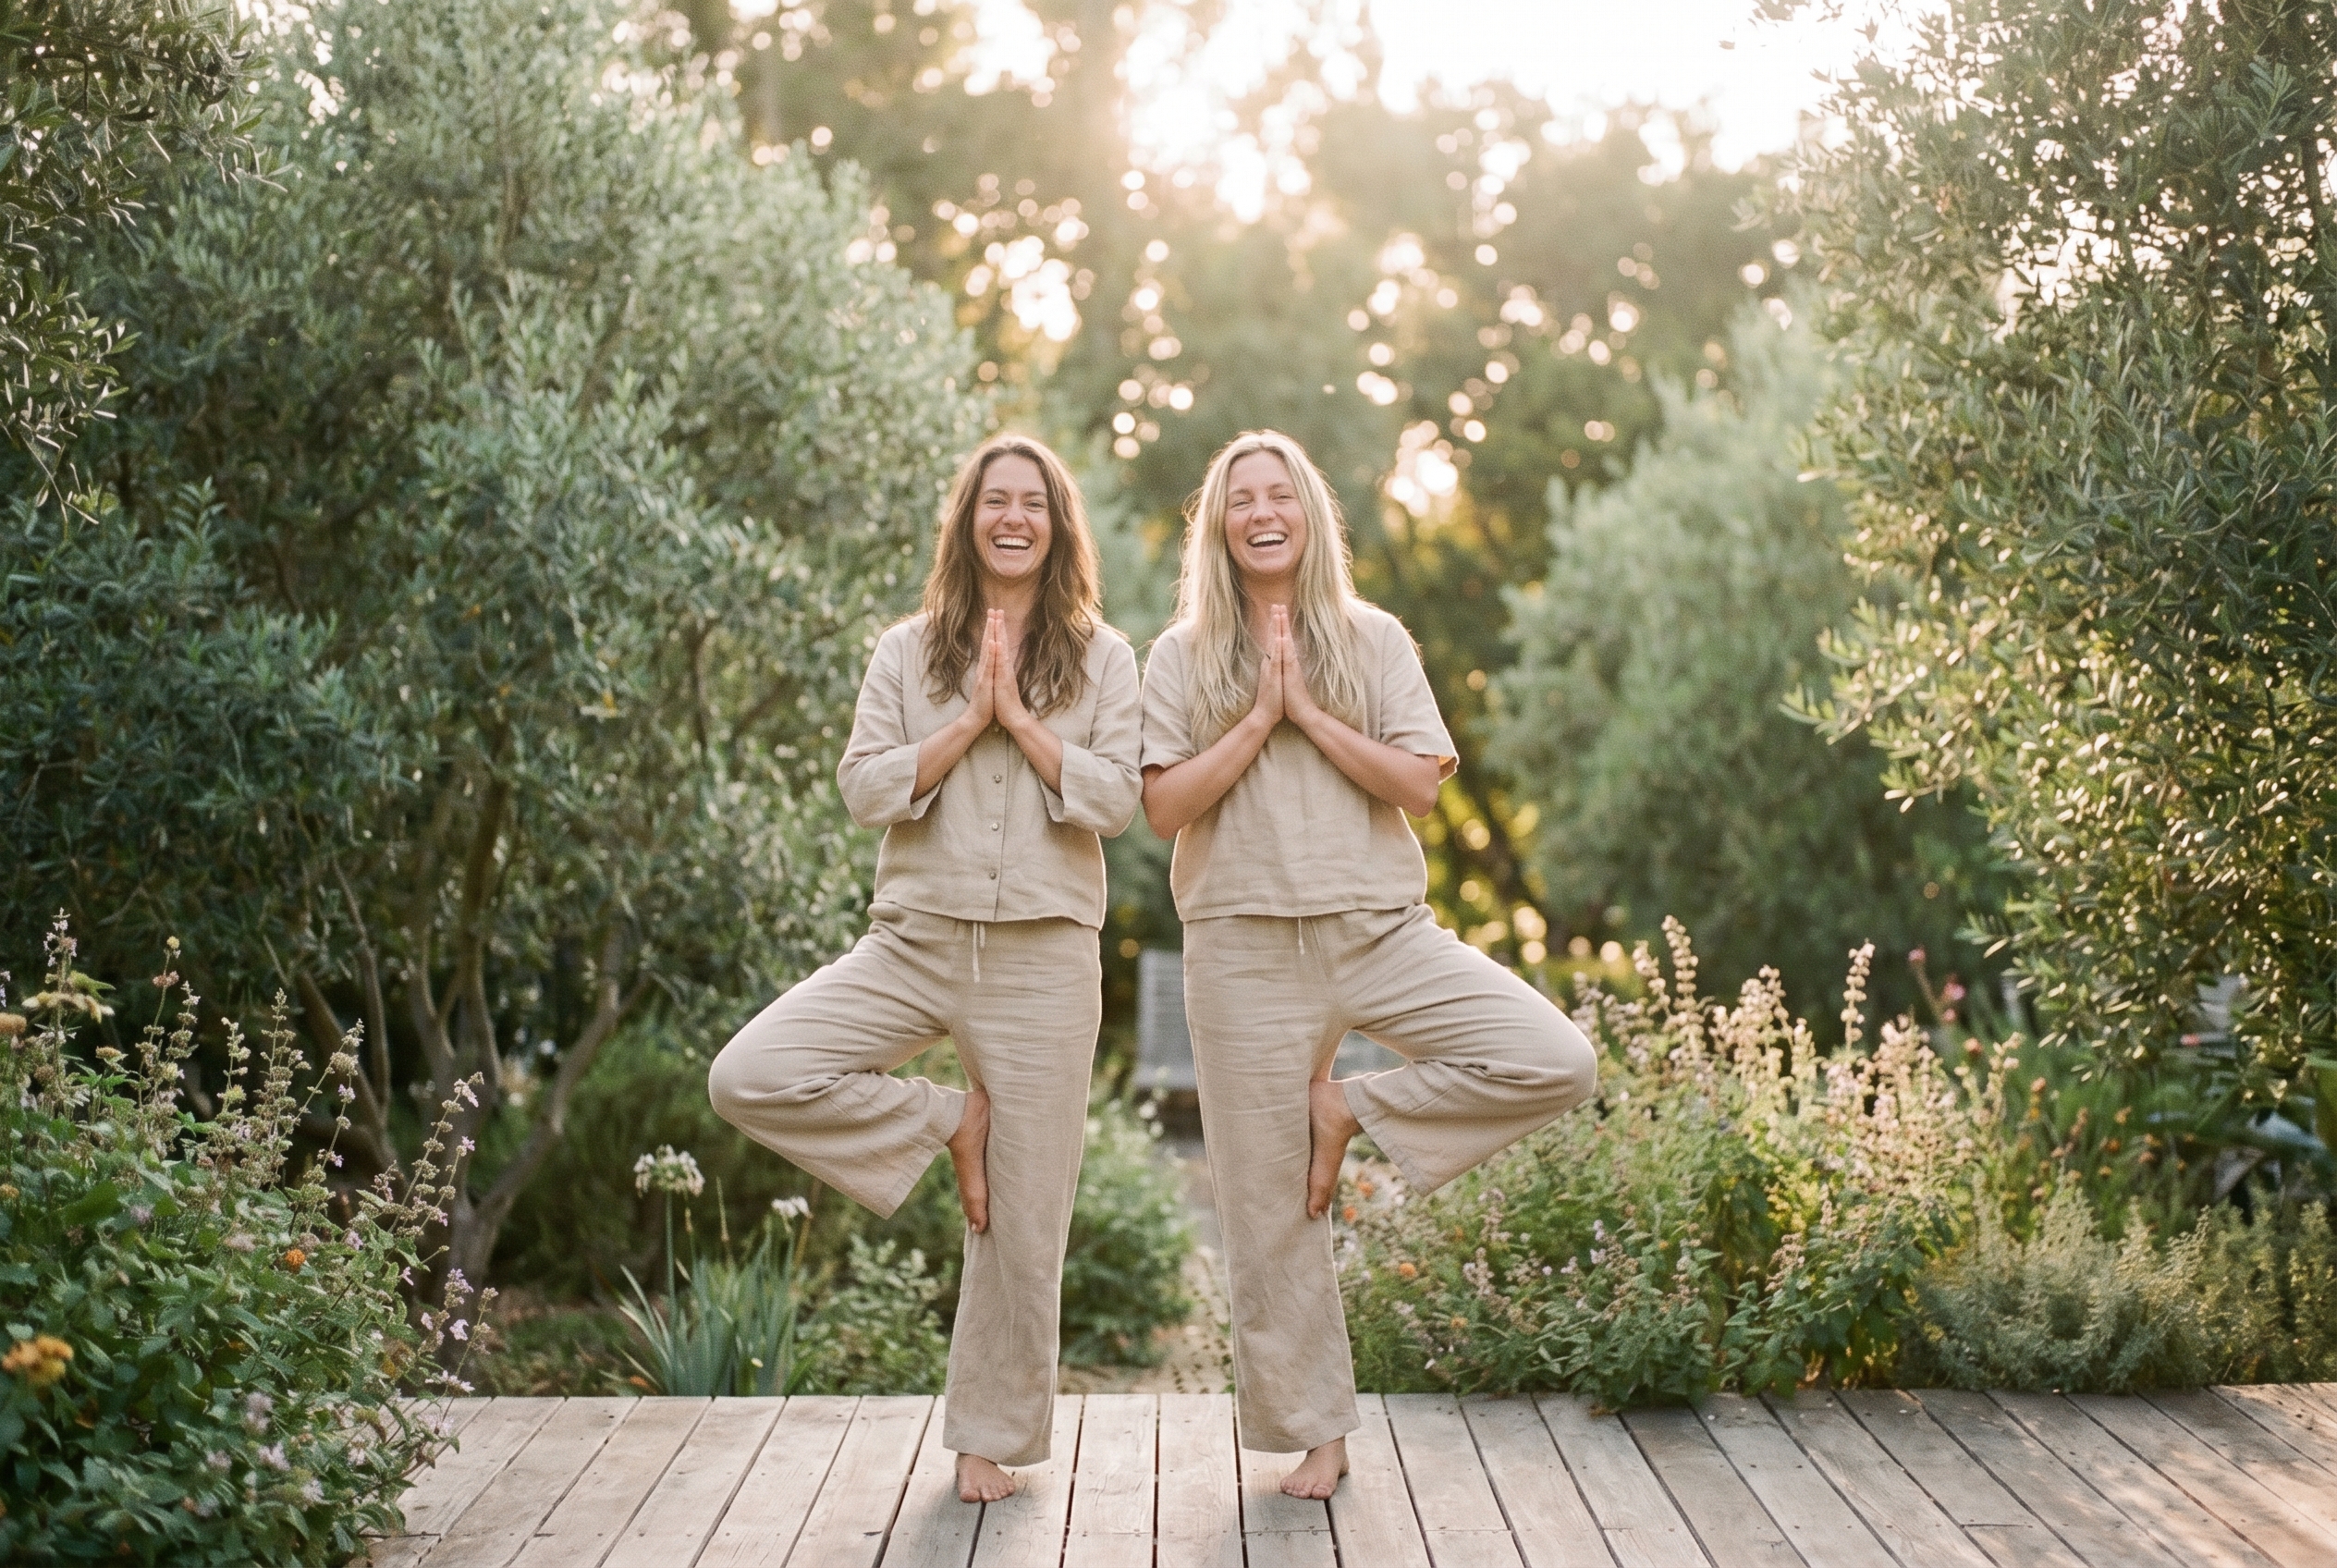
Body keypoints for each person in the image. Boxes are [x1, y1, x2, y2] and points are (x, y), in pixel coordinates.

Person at [1139, 430, 1597, 1499]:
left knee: (1552, 1058)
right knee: (1265, 1212)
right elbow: (1160, 804)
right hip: (1241, 947)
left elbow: (1418, 785)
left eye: (1278, 493)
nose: (1260, 510)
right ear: (1218, 523)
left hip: (1379, 931)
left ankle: (1354, 1112)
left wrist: (1305, 709)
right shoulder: (1179, 654)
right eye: (1238, 496)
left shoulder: (1373, 637)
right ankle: (1318, 1436)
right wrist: (1258, 714)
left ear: (1307, 513)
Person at [709, 434, 1140, 1503]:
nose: (1011, 517)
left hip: (1045, 955)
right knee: (750, 1075)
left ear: (1055, 525)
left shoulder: (1104, 658)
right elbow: (863, 788)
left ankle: (987, 1445)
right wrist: (963, 724)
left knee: (1023, 1223)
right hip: (912, 941)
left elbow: (1118, 800)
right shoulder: (906, 652)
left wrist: (1022, 724)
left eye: (1031, 503)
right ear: (966, 520)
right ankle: (946, 1122)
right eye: (993, 500)